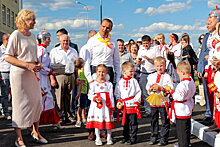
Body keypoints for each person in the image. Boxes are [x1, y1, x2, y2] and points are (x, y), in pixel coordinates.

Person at [5, 9, 47, 147]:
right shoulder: (16, 35)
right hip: (19, 74)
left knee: (36, 102)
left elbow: (34, 56)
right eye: (32, 19)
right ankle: (19, 138)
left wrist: (37, 63)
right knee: (20, 104)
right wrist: (26, 65)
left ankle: (36, 132)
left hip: (31, 73)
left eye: (34, 19)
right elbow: (8, 56)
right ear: (24, 20)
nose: (34, 22)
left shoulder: (32, 36)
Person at [37, 30, 63, 129]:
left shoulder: (42, 49)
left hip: (44, 79)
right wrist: (51, 72)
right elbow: (40, 66)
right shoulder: (41, 50)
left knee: (48, 100)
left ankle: (55, 122)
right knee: (45, 100)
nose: (50, 41)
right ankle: (35, 125)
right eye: (48, 39)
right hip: (41, 79)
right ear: (43, 39)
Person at [50, 34, 78, 124]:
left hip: (71, 75)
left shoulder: (73, 51)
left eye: (67, 40)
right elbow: (50, 66)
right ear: (60, 41)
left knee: (69, 97)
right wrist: (52, 79)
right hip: (60, 76)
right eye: (64, 41)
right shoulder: (55, 51)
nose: (66, 42)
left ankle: (69, 115)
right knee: (59, 98)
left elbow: (77, 66)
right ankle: (60, 116)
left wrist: (77, 77)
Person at [197, 9, 218, 125]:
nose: (207, 24)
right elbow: (203, 54)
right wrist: (201, 68)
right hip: (207, 68)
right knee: (208, 92)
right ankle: (210, 115)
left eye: (210, 20)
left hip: (215, 67)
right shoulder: (207, 36)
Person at [146, 57, 173, 146]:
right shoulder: (151, 76)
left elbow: (170, 88)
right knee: (154, 119)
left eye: (161, 66)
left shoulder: (167, 77)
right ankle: (154, 136)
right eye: (157, 66)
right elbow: (147, 87)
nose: (159, 68)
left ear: (165, 66)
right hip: (153, 101)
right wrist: (150, 89)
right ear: (154, 66)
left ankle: (164, 137)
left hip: (163, 101)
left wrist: (161, 88)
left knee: (164, 120)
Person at [84, 18, 120, 85]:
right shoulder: (92, 40)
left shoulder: (113, 42)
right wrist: (89, 79)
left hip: (108, 70)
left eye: (108, 28)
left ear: (111, 29)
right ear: (100, 26)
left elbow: (116, 61)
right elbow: (87, 61)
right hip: (95, 70)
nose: (105, 29)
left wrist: (117, 79)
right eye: (103, 26)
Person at [86, 64, 115, 146]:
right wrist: (95, 98)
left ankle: (109, 137)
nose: (101, 74)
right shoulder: (93, 84)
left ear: (106, 73)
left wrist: (112, 107)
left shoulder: (109, 84)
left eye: (103, 72)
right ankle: (98, 138)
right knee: (97, 122)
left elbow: (111, 96)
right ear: (96, 72)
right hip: (96, 107)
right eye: (99, 72)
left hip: (106, 106)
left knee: (108, 120)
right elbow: (90, 95)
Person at [169, 60, 196, 147]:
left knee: (181, 130)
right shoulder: (191, 80)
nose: (179, 76)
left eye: (179, 74)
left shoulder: (183, 84)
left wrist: (172, 92)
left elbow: (179, 97)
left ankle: (183, 144)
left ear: (183, 72)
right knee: (187, 128)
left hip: (182, 109)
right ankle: (186, 143)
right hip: (188, 106)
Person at [115, 61, 141, 145]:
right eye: (131, 71)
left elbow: (138, 92)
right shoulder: (120, 81)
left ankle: (133, 137)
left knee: (133, 122)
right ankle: (125, 136)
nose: (132, 73)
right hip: (124, 105)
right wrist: (119, 100)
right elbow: (117, 92)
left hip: (132, 104)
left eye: (133, 71)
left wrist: (137, 101)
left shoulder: (134, 81)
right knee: (125, 122)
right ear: (124, 71)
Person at [136, 35, 161, 117]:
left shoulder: (155, 49)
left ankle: (157, 109)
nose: (145, 45)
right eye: (144, 44)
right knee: (145, 92)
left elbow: (159, 60)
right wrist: (139, 61)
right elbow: (137, 61)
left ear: (150, 42)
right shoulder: (141, 49)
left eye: (147, 43)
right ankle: (148, 110)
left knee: (155, 91)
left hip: (153, 72)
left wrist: (150, 59)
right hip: (143, 72)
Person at [0, 33, 11, 120]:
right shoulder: (0, 49)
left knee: (15, 93)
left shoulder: (12, 49)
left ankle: (15, 112)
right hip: (4, 72)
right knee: (4, 94)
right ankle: (6, 112)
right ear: (6, 40)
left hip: (13, 71)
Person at [74, 58, 88, 127]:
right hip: (82, 91)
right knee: (80, 106)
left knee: (84, 106)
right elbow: (81, 84)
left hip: (85, 91)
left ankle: (83, 118)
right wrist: (78, 94)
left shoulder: (83, 71)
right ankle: (78, 119)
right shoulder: (81, 72)